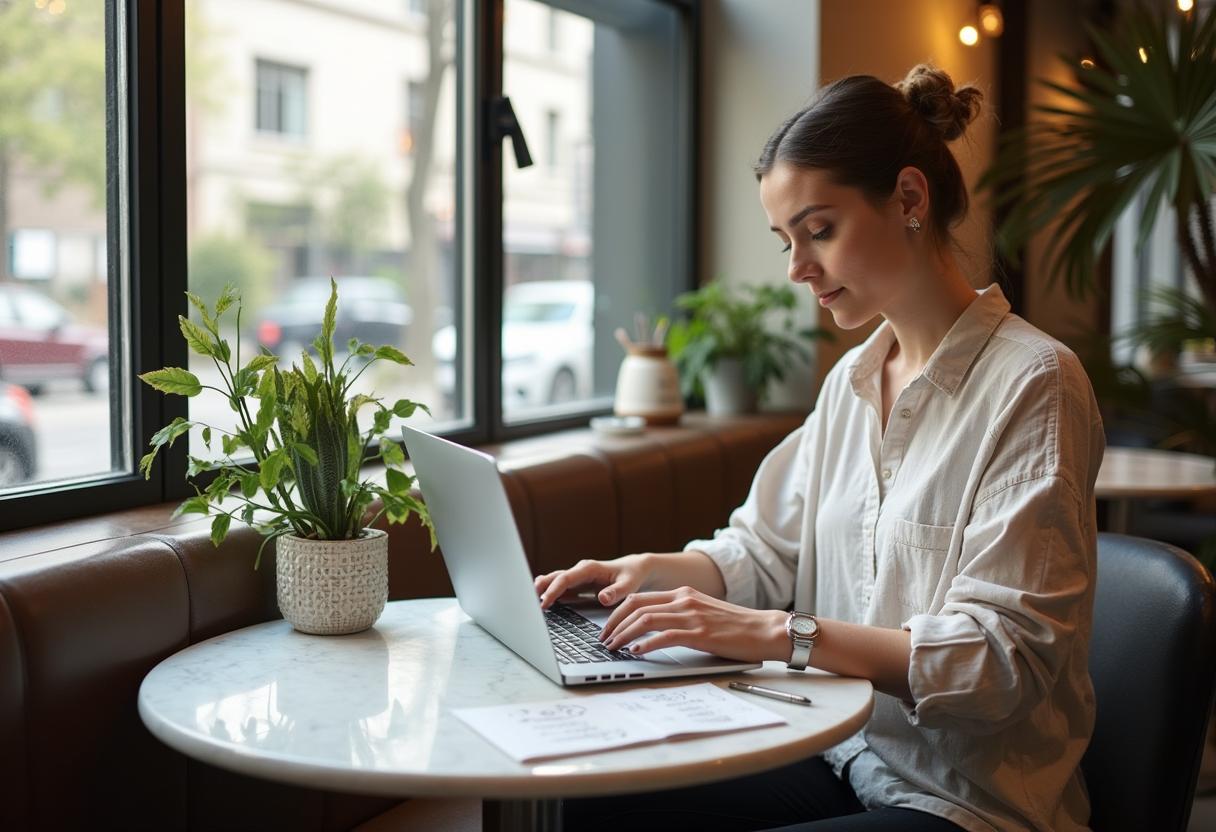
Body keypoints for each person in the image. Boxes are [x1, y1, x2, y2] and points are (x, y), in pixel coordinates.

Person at [535, 64, 1105, 832]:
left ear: (909, 198)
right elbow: (767, 551)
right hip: (842, 755)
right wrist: (646, 573)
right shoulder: (851, 384)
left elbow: (1002, 661)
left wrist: (778, 634)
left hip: (963, 803)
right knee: (591, 801)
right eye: (786, 241)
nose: (799, 269)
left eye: (819, 230)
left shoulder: (1034, 383)